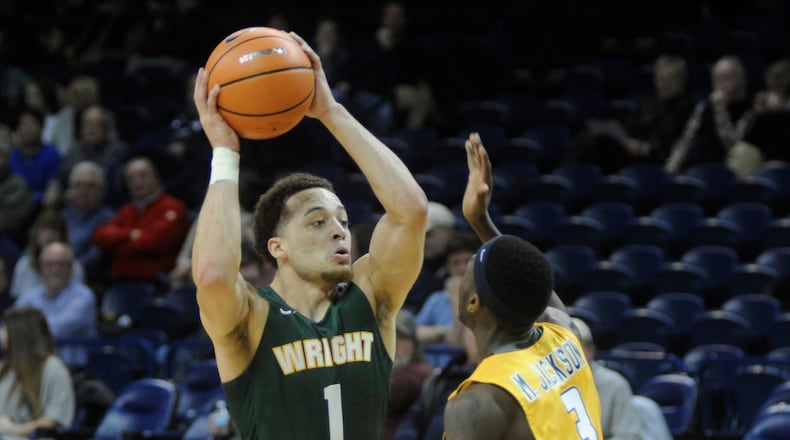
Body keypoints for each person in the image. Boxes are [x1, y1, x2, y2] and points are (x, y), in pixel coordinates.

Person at [190, 30, 428, 440]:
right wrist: (225, 153)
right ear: (276, 247)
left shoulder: (371, 297)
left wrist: (331, 111)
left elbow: (411, 213)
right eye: (318, 222)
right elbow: (212, 274)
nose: (339, 231)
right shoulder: (252, 317)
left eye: (342, 221)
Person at [442, 133, 602, 439]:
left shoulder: (477, 403)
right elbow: (529, 280)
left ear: (473, 303)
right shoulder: (564, 333)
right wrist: (480, 220)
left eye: (469, 270)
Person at [93, 156, 190, 288]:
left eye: (143, 175)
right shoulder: (127, 210)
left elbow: (154, 242)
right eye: (131, 178)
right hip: (119, 282)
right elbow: (100, 236)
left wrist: (118, 243)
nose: (137, 181)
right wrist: (129, 234)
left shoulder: (173, 207)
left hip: (156, 283)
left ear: (156, 177)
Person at [572, 317, 672, 440]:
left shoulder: (613, 384)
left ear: (591, 351)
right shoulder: (546, 383)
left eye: (574, 348)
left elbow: (627, 435)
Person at [666, 56, 754, 174]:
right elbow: (686, 140)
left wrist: (720, 111)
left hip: (724, 170)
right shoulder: (704, 107)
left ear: (741, 80)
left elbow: (733, 146)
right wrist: (669, 170)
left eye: (727, 79)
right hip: (694, 166)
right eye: (717, 80)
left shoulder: (749, 107)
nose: (721, 85)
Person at [0, 306, 75, 439]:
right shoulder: (5, 367)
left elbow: (53, 421)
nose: (2, 333)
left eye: (6, 328)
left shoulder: (52, 366)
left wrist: (17, 429)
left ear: (21, 334)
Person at [15, 241, 97, 340]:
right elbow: (12, 324)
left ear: (71, 268)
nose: (56, 269)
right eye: (50, 264)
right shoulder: (29, 296)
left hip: (66, 355)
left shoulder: (84, 296)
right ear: (41, 267)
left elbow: (58, 329)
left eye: (62, 264)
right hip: (34, 355)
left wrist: (21, 329)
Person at [415, 230, 480, 347]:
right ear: (448, 268)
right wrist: (443, 332)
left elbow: (459, 342)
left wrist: (456, 295)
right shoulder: (437, 299)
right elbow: (412, 334)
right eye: (455, 263)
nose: (461, 269)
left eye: (467, 262)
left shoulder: (487, 299)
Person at [10, 209, 85, 299]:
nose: (50, 235)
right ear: (36, 234)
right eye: (45, 229)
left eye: (55, 230)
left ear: (63, 236)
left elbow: (79, 298)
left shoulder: (75, 267)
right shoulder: (24, 265)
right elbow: (19, 302)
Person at [61, 161, 116, 284]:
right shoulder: (62, 216)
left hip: (88, 279)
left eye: (90, 186)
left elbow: (96, 255)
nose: (83, 190)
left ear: (101, 191)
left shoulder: (109, 219)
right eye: (78, 185)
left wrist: (69, 268)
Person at [385, 310, 434, 440]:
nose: (393, 343)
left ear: (414, 344)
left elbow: (388, 394)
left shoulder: (420, 371)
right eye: (387, 336)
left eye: (399, 338)